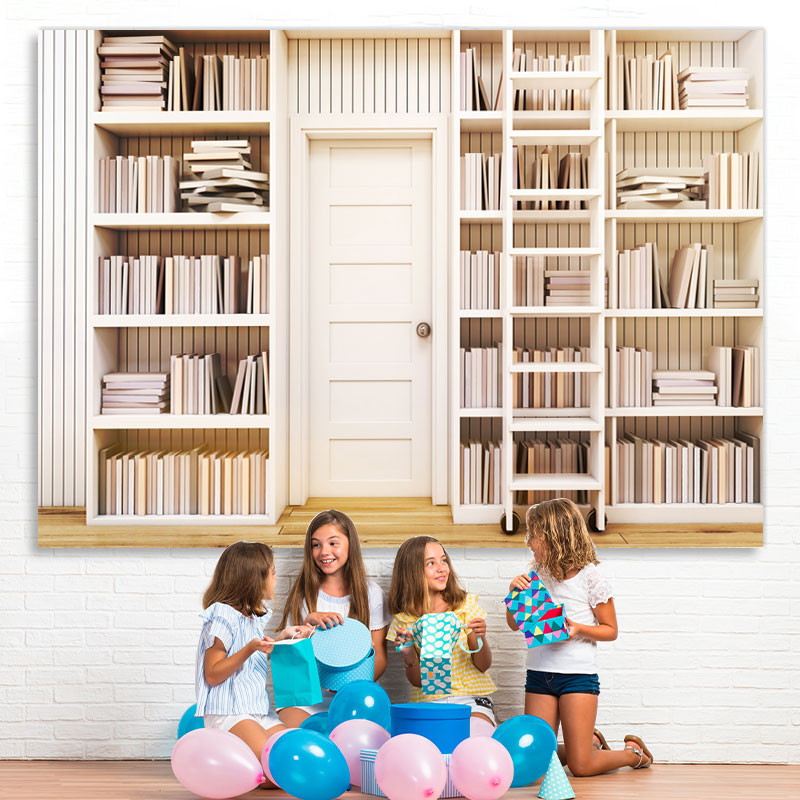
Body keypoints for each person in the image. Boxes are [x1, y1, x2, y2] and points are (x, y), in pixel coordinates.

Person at [507, 498, 653, 776]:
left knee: (580, 766)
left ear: (554, 538)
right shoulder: (536, 574)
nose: (528, 542)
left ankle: (633, 755)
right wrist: (514, 592)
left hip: (577, 677)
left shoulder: (590, 578)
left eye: (534, 536)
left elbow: (610, 630)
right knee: (536, 759)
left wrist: (577, 628)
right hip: (539, 675)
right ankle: (590, 744)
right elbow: (515, 625)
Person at [196, 541, 313, 778]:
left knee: (295, 757)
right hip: (230, 712)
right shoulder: (223, 616)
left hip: (258, 710)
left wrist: (283, 638)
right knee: (276, 770)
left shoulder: (251, 617)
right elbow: (213, 674)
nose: (276, 578)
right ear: (253, 579)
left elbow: (254, 656)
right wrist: (250, 648)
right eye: (272, 572)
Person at [277, 509, 390, 726]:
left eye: (333, 543)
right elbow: (291, 661)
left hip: (354, 694)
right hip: (306, 696)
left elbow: (380, 658)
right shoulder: (304, 594)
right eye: (316, 544)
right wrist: (306, 627)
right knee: (293, 736)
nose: (323, 552)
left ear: (350, 545)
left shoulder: (371, 593)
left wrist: (347, 687)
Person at [387, 535, 496, 725]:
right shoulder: (405, 620)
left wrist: (479, 637)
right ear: (412, 572)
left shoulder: (465, 605)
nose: (441, 568)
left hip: (471, 700)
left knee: (474, 736)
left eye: (443, 560)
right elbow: (417, 682)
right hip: (429, 702)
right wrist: (409, 656)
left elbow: (483, 665)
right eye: (431, 563)